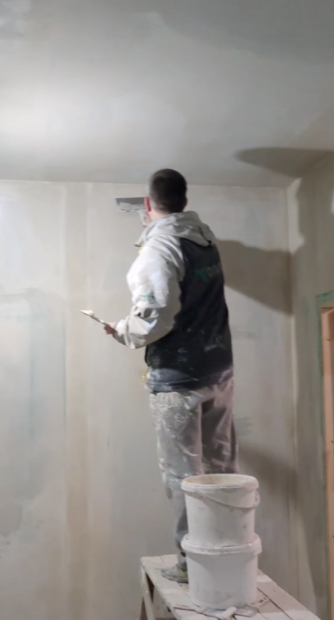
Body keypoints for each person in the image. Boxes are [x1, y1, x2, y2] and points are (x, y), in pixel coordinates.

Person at [104, 169, 238, 583]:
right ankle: (229, 547)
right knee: (221, 464)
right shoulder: (205, 237)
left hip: (179, 379)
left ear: (148, 205)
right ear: (184, 199)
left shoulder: (159, 248)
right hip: (219, 369)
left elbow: (157, 315)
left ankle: (192, 561)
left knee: (184, 476)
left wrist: (124, 331)